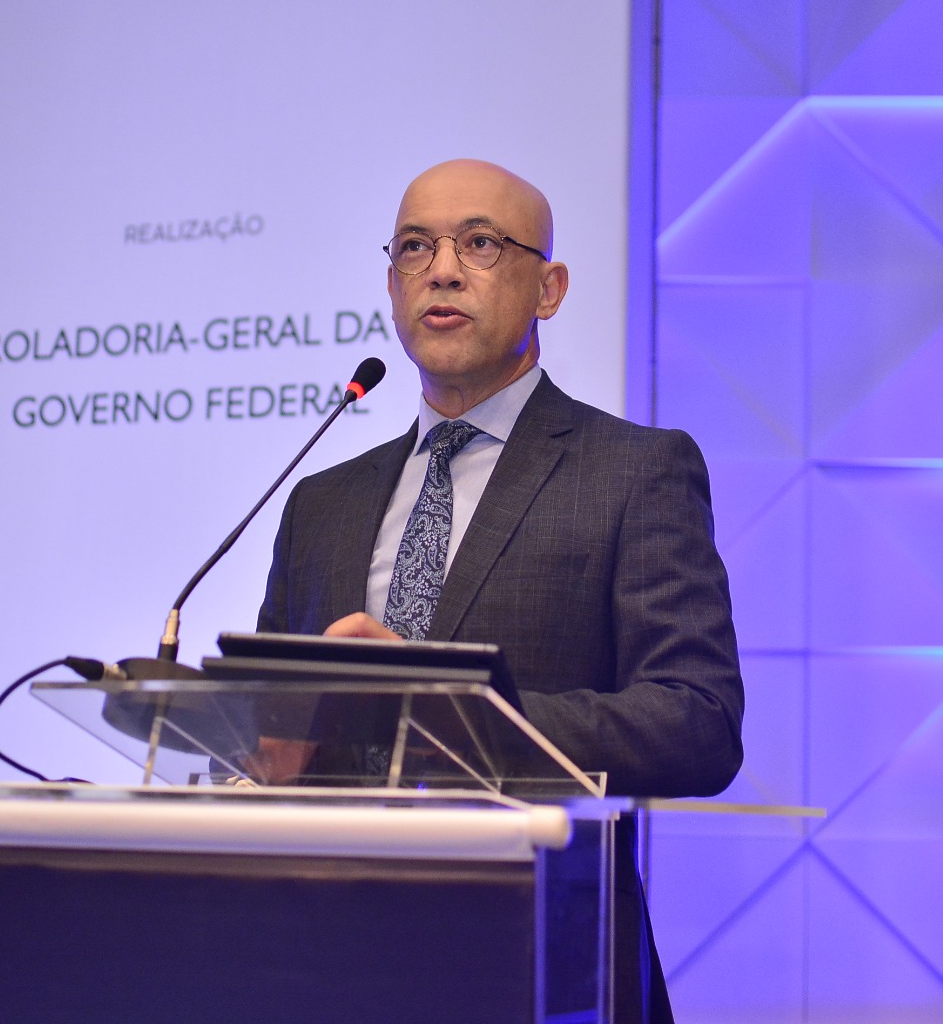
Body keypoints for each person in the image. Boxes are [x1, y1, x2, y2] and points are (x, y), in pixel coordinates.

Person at [256, 159, 743, 1023]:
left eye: (479, 243)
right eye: (415, 247)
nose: (441, 270)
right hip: (319, 959)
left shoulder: (635, 471)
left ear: (548, 289)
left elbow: (696, 723)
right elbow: (272, 724)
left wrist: (453, 717)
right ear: (392, 284)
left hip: (537, 959)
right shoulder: (318, 502)